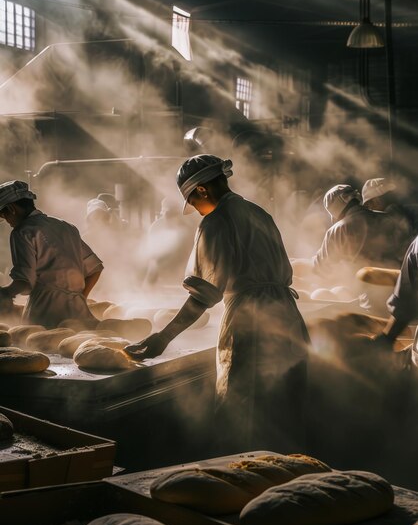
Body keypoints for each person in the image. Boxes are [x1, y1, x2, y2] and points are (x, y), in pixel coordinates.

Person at [125, 154, 309, 454]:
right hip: (287, 318)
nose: (196, 210)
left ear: (201, 190)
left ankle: (242, 487)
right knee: (284, 413)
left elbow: (203, 295)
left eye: (193, 202)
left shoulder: (217, 221)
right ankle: (291, 483)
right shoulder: (258, 212)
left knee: (244, 415)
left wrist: (163, 337)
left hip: (250, 325)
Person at [0, 180, 103, 328]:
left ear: (11, 209)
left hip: (44, 313)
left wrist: (5, 293)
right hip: (79, 314)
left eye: (3, 216)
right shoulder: (66, 226)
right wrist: (80, 298)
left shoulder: (22, 232)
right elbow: (96, 269)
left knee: (40, 348)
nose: (7, 221)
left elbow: (24, 281)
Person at [144, 196, 196, 285]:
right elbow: (153, 257)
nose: (170, 217)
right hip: (162, 277)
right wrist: (149, 281)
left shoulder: (187, 229)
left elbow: (190, 255)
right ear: (163, 213)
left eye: (173, 214)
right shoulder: (156, 227)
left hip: (181, 276)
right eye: (167, 213)